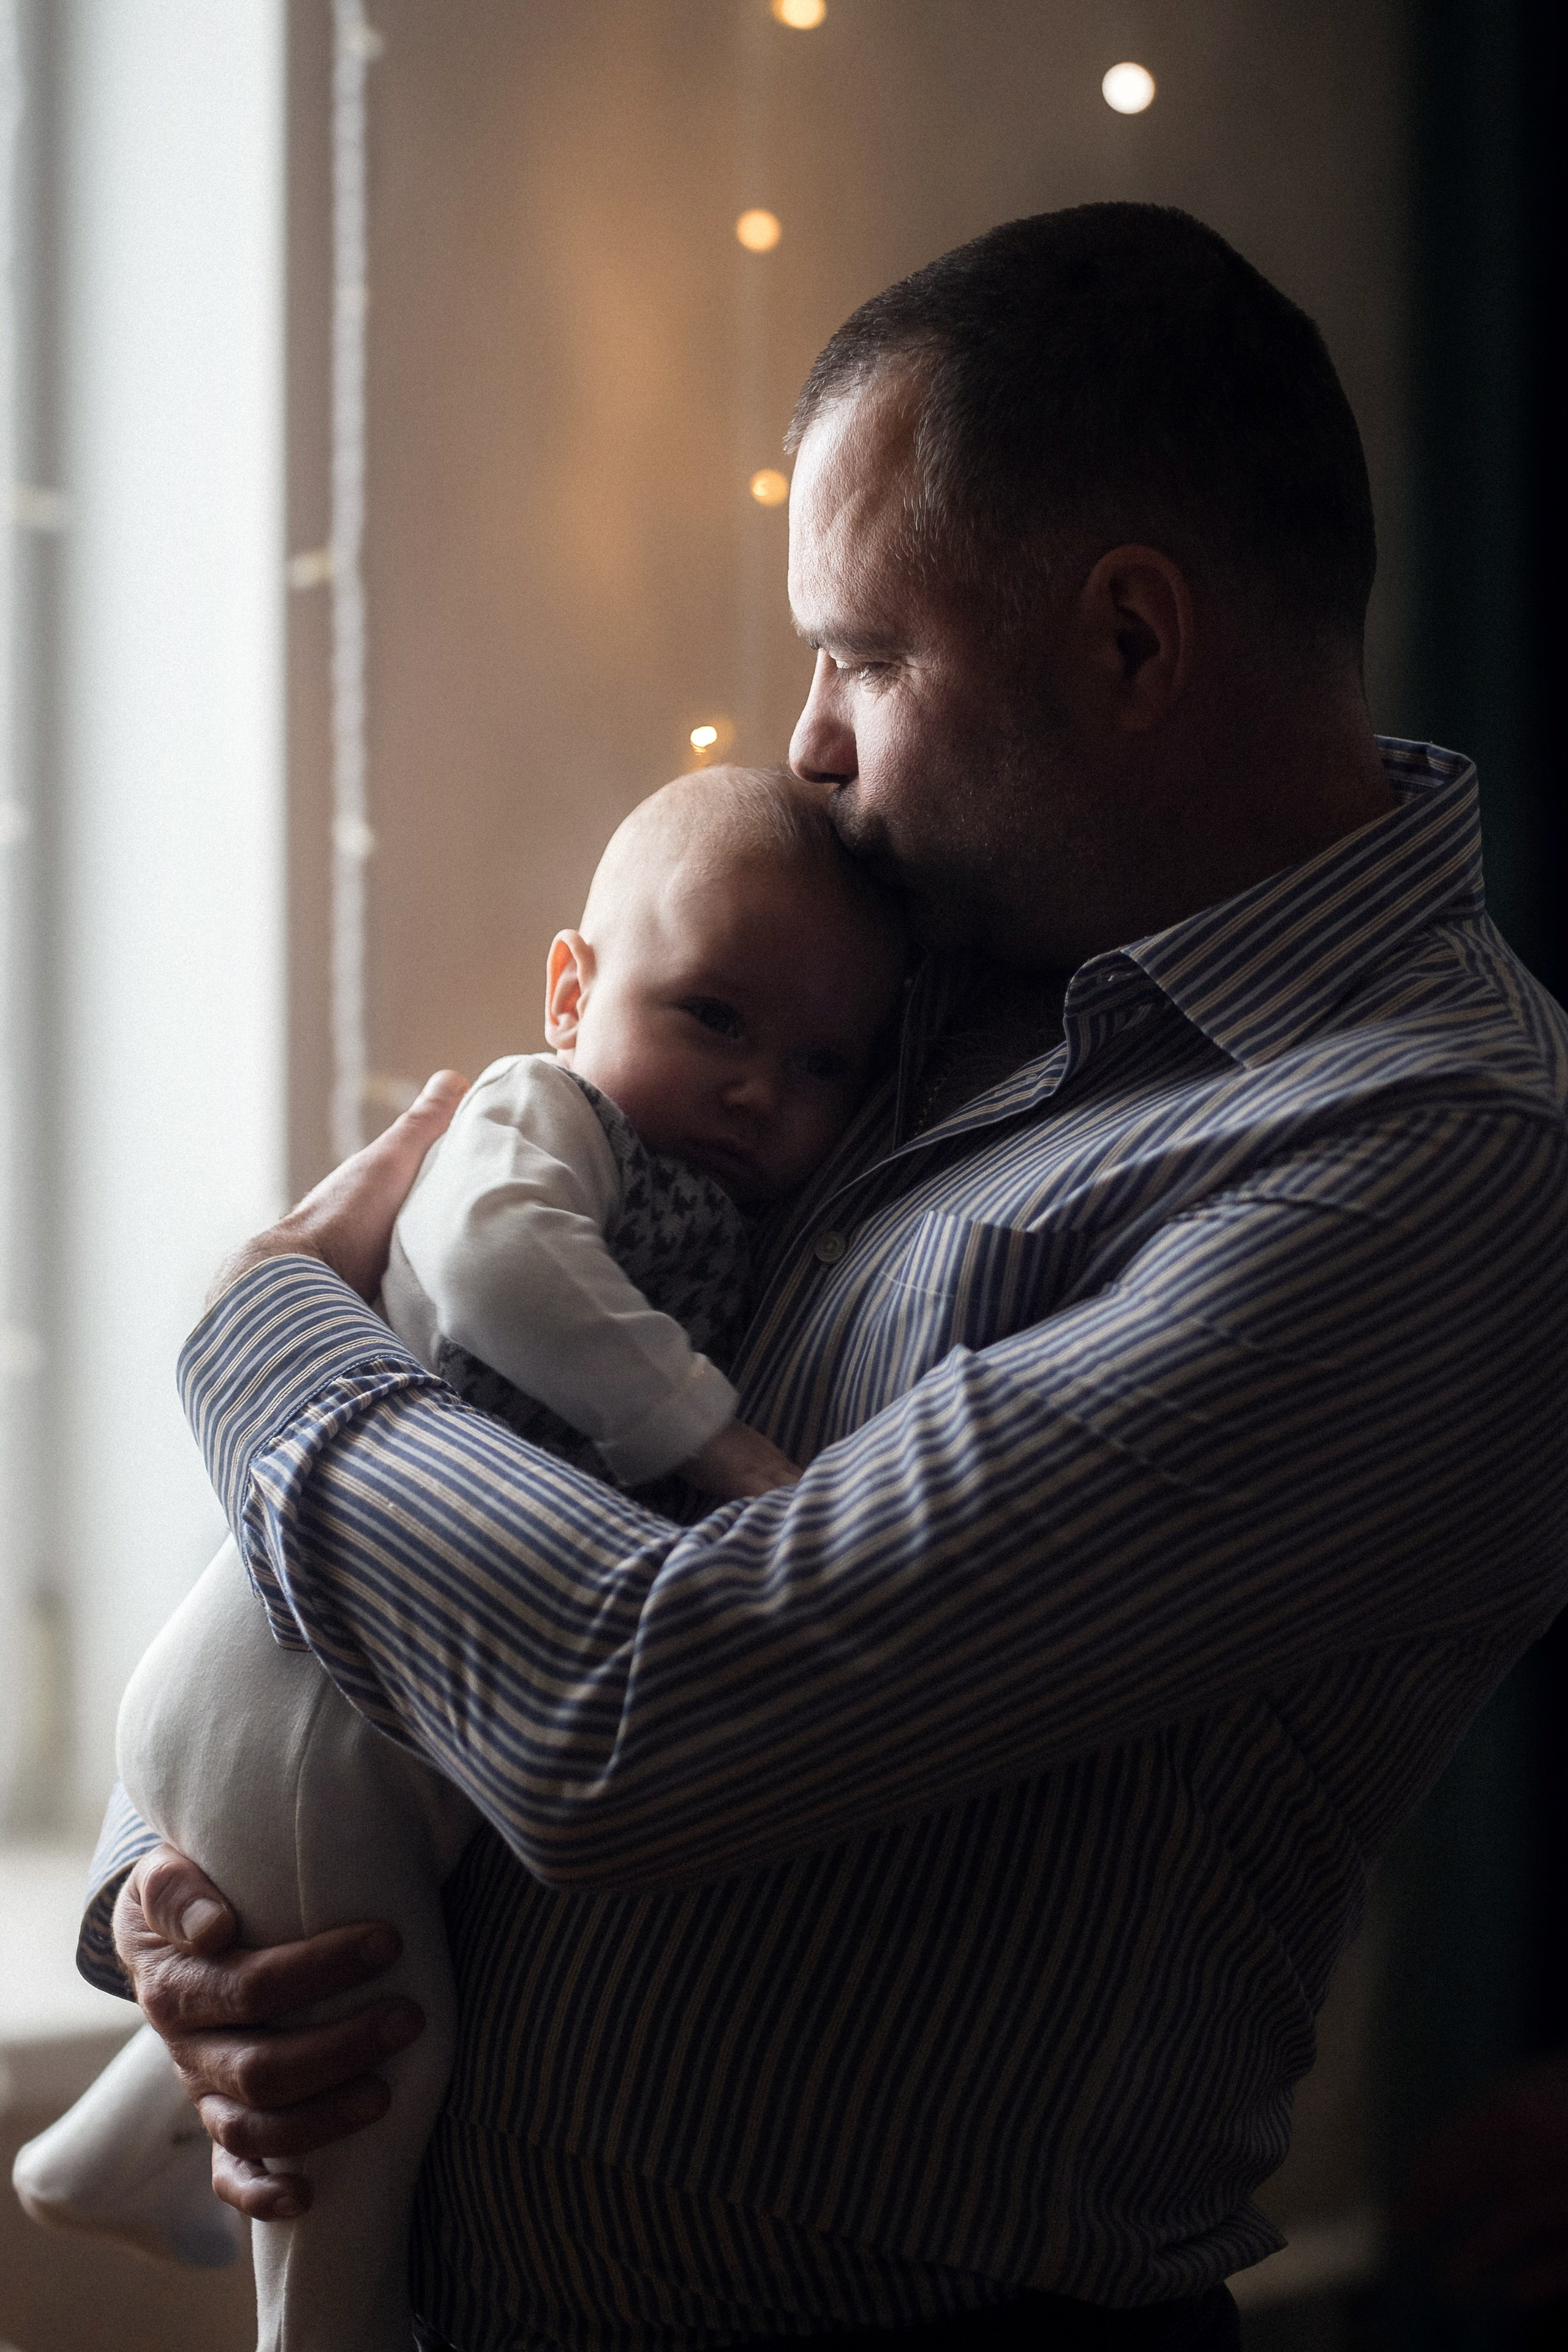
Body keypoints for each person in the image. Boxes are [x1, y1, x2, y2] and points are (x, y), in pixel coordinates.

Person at [78, 203, 1568, 2352]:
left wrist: (259, 1353)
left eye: (863, 655)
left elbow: (646, 1716)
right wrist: (181, 1892)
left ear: (1129, 642)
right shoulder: (891, 961)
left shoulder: (1423, 1170)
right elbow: (468, 1387)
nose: (807, 747)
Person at [14, 767, 907, 2352]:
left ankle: (91, 2165)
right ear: (572, 993)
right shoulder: (542, 1112)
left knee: (310, 1967)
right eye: (712, 1017)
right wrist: (720, 1446)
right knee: (378, 2045)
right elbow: (493, 1263)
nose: (762, 1089)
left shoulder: (727, 1204)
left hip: (367, 1697)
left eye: (822, 1062)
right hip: (307, 1695)